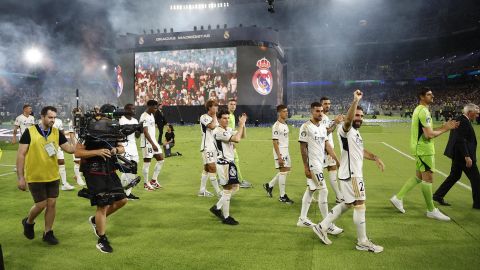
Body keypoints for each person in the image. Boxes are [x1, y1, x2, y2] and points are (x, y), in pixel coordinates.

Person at [312, 90, 386, 253]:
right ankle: (362, 241)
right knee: (360, 205)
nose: (359, 118)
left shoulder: (356, 133)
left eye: (361, 116)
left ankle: (321, 226)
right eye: (356, 115)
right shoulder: (345, 129)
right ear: (349, 117)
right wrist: (355, 101)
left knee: (347, 204)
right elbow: (348, 120)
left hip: (349, 174)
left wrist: (375, 157)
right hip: (352, 175)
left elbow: (360, 150)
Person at [390, 87, 459, 221]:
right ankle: (431, 210)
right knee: (428, 179)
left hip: (418, 148)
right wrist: (445, 128)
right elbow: (428, 135)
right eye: (429, 94)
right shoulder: (424, 112)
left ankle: (398, 198)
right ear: (421, 97)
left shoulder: (418, 109)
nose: (432, 96)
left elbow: (426, 132)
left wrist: (442, 127)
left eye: (432, 93)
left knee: (419, 176)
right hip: (424, 149)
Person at [17, 106, 75, 245]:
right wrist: (21, 177)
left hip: (53, 175)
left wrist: (74, 137)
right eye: (50, 117)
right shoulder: (29, 132)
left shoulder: (56, 132)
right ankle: (28, 222)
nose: (53, 120)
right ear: (42, 117)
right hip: (35, 176)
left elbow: (70, 149)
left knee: (52, 204)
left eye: (54, 117)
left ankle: (48, 232)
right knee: (41, 204)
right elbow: (21, 154)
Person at [75, 104, 128, 253]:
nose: (108, 118)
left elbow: (122, 147)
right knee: (103, 205)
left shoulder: (114, 128)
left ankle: (94, 220)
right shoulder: (88, 129)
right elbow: (78, 152)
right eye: (107, 115)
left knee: (122, 200)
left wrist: (115, 150)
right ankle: (102, 239)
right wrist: (97, 152)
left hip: (110, 168)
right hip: (93, 171)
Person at [297, 102, 342, 236]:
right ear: (311, 111)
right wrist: (306, 167)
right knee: (324, 190)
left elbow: (327, 145)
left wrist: (337, 160)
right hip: (313, 165)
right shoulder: (305, 127)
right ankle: (326, 225)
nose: (320, 113)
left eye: (321, 111)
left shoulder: (322, 127)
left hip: (320, 164)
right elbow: (303, 149)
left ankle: (302, 218)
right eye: (317, 111)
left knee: (311, 189)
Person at [433, 103, 479, 209]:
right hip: (463, 156)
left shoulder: (460, 119)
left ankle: (438, 195)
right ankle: (478, 204)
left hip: (457, 155)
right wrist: (467, 156)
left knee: (454, 176)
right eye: (476, 113)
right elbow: (460, 140)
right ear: (470, 112)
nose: (477, 115)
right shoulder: (463, 121)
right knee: (476, 179)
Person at [209, 109, 247, 225]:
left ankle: (217, 207)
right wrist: (240, 125)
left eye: (228, 118)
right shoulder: (218, 131)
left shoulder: (228, 129)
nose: (226, 120)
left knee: (235, 187)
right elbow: (237, 139)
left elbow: (243, 135)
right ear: (219, 119)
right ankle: (226, 217)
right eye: (224, 118)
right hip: (224, 163)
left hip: (230, 163)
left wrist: (243, 124)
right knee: (227, 189)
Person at [263, 105, 294, 204]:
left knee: (286, 170)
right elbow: (275, 142)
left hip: (286, 150)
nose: (287, 113)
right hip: (280, 151)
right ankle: (282, 196)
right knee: (283, 172)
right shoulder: (276, 126)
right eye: (284, 111)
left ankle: (270, 185)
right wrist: (279, 156)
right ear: (279, 113)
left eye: (286, 111)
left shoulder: (284, 124)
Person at [320, 97, 344, 203]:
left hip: (326, 148)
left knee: (332, 170)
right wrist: (336, 122)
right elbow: (326, 132)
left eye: (329, 103)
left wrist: (334, 121)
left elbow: (328, 128)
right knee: (316, 174)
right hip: (325, 149)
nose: (328, 105)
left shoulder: (325, 117)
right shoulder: (322, 117)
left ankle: (339, 196)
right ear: (321, 104)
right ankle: (339, 196)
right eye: (325, 104)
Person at [198, 99, 222, 197]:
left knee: (207, 168)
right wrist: (216, 116)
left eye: (217, 106)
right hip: (207, 146)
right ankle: (219, 192)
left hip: (214, 146)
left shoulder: (216, 117)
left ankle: (202, 190)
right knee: (212, 168)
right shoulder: (204, 117)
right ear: (209, 107)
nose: (216, 108)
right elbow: (212, 126)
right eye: (214, 106)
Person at [140, 100, 165, 191]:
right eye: (154, 107)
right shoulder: (144, 116)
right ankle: (146, 183)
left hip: (153, 142)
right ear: (149, 107)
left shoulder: (151, 115)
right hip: (147, 143)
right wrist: (153, 144)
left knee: (161, 160)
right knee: (147, 163)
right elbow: (145, 132)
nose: (156, 109)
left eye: (157, 107)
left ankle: (153, 181)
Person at [227, 98, 252, 188]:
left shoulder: (232, 116)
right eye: (231, 104)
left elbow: (233, 131)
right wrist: (232, 141)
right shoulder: (227, 116)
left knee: (229, 161)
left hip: (230, 142)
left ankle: (226, 179)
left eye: (234, 104)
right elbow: (226, 130)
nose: (233, 106)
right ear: (228, 105)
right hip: (227, 143)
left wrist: (242, 124)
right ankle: (239, 181)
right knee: (234, 160)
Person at [119, 104, 141, 200]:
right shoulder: (121, 120)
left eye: (134, 109)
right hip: (124, 146)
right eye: (132, 109)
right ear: (126, 110)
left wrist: (139, 129)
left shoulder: (135, 120)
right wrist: (134, 128)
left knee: (134, 169)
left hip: (133, 146)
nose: (134, 110)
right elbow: (122, 132)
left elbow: (137, 136)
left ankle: (127, 193)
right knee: (126, 169)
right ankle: (120, 192)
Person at [53, 117, 75, 191]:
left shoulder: (59, 121)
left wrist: (63, 143)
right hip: (48, 145)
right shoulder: (42, 122)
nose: (52, 118)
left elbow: (62, 132)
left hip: (57, 144)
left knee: (61, 161)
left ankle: (64, 183)